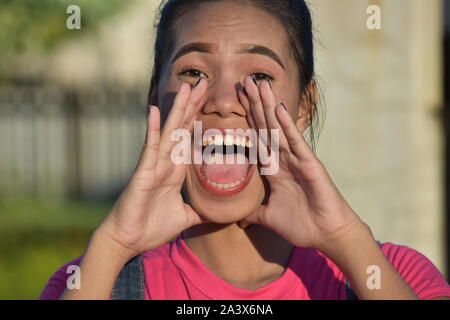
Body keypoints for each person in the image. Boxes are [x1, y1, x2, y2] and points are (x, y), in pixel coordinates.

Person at [40, 0, 450, 300]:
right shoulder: (88, 281)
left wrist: (345, 238)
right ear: (155, 99)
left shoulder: (395, 277)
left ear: (305, 106)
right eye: (193, 72)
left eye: (258, 75)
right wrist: (114, 244)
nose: (222, 99)